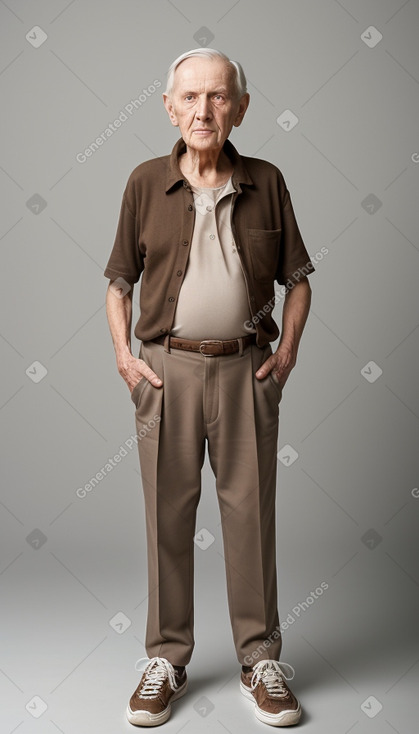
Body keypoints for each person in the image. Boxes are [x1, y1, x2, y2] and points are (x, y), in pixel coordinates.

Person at [104, 47, 315, 728]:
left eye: (219, 97)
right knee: (166, 515)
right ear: (168, 107)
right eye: (190, 97)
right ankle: (166, 657)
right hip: (164, 373)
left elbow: (299, 280)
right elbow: (118, 283)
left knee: (251, 517)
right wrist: (124, 357)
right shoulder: (143, 182)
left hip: (245, 372)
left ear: (241, 108)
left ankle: (260, 660)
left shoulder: (267, 180)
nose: (204, 110)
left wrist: (284, 354)